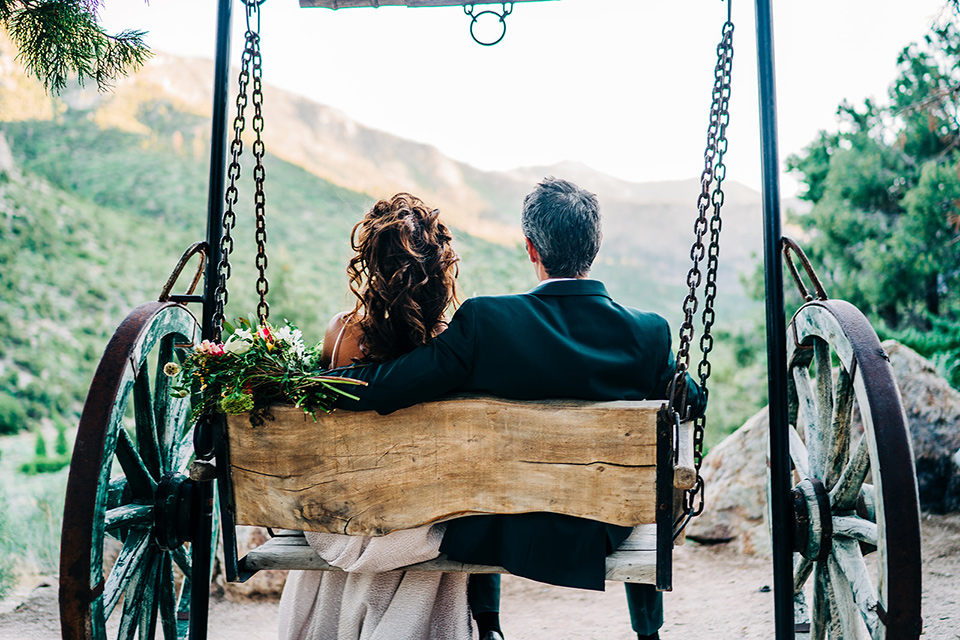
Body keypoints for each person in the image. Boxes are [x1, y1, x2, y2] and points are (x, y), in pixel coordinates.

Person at [335, 177, 706, 640]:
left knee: (477, 481)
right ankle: (648, 632)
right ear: (597, 245)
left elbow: (384, 387)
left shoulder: (486, 322)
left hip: (500, 527)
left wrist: (302, 378)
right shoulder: (649, 333)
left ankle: (488, 625)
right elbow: (690, 396)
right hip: (601, 527)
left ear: (531, 248)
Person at [279, 192, 495, 640]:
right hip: (419, 522)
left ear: (370, 265)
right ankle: (487, 624)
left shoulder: (341, 333)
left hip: (344, 519)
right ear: (440, 272)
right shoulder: (449, 346)